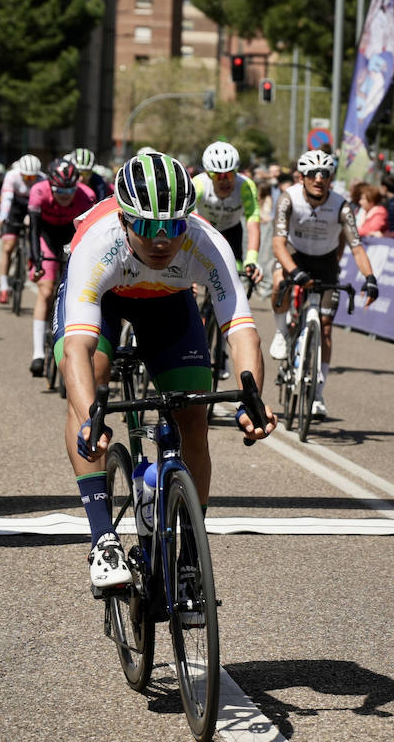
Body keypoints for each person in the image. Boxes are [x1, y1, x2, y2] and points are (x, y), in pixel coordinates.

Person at [57, 151, 276, 588]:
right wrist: (89, 417)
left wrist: (253, 400)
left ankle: (192, 556)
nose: (162, 240)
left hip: (168, 304)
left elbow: (242, 331)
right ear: (124, 221)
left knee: (194, 417)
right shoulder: (98, 243)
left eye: (174, 226)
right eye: (148, 226)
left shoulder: (207, 242)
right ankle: (102, 538)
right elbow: (76, 348)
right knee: (91, 395)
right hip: (107, 297)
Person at [268, 150, 380, 419]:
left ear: (330, 178)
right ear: (302, 177)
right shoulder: (288, 199)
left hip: (326, 262)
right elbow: (277, 243)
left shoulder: (342, 205)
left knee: (326, 329)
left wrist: (370, 278)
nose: (319, 178)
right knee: (278, 280)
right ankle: (283, 332)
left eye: (325, 174)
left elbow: (357, 246)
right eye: (312, 174)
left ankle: (317, 392)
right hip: (294, 255)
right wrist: (294, 271)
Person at [24, 159, 96, 375]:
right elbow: (34, 231)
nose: (65, 195)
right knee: (46, 291)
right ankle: (38, 353)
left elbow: (89, 236)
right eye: (59, 190)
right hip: (46, 234)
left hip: (70, 234)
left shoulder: (87, 196)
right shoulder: (38, 191)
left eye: (70, 190)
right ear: (50, 185)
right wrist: (37, 260)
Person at [192, 141, 263, 287]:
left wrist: (252, 258)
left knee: (233, 276)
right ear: (208, 174)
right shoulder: (198, 185)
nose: (224, 180)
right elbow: (186, 220)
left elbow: (253, 221)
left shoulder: (245, 186)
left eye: (229, 174)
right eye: (218, 175)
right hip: (204, 231)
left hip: (232, 231)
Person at [0, 154, 43, 305]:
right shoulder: (12, 176)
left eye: (32, 177)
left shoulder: (42, 179)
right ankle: (4, 286)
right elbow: (7, 198)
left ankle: (31, 256)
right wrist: (3, 216)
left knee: (35, 231)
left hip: (33, 205)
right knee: (8, 246)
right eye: (26, 177)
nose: (29, 180)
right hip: (15, 206)